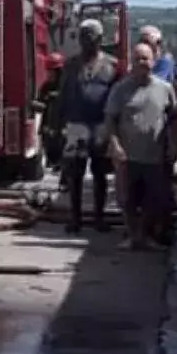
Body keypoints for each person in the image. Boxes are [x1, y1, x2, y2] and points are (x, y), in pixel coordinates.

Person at [105, 43, 177, 250]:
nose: (142, 63)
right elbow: (110, 119)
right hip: (127, 155)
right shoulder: (121, 89)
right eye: (137, 59)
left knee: (152, 198)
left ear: (153, 62)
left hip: (154, 154)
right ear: (131, 62)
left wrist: (172, 144)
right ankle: (133, 236)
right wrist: (115, 144)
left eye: (145, 59)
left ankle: (144, 236)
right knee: (127, 199)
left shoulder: (165, 88)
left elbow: (173, 118)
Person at [58, 19, 119, 232]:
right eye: (83, 36)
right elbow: (63, 94)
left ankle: (99, 218)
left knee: (100, 174)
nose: (87, 40)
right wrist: (59, 124)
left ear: (100, 40)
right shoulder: (71, 64)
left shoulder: (112, 65)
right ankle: (75, 219)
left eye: (91, 36)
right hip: (76, 125)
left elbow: (117, 97)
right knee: (75, 174)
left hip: (101, 125)